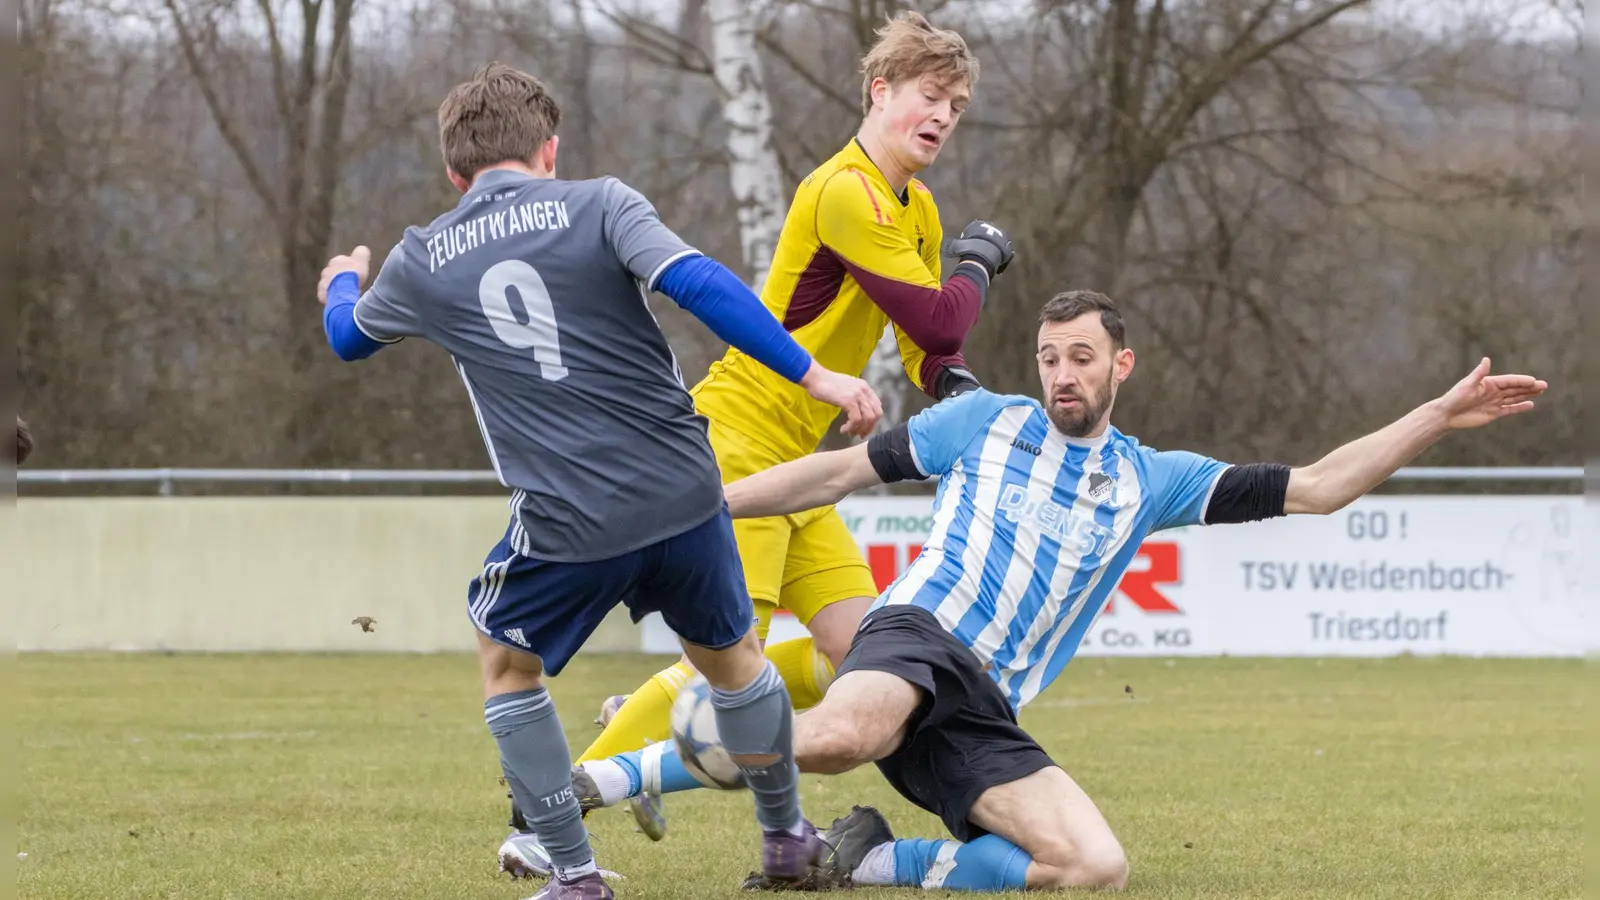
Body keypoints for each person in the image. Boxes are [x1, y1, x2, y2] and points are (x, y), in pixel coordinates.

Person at [574, 289, 1548, 891]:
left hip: (987, 703)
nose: (1061, 375)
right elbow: (832, 474)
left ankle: (861, 859)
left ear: (1120, 364)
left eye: (1081, 357)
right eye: (1049, 358)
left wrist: (1434, 414)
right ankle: (614, 776)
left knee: (1091, 867)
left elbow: (1322, 487)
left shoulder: (1151, 480)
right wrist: (712, 504)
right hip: (915, 634)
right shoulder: (986, 423)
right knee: (843, 736)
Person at [316, 63, 885, 899]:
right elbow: (697, 283)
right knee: (736, 664)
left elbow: (347, 340)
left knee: (508, 665)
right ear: (549, 150)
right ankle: (786, 837)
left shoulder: (423, 257)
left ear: (454, 174)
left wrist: (341, 279)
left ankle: (575, 874)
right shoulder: (602, 203)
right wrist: (817, 375)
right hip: (685, 491)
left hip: (570, 516)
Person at [498, 9, 1015, 875]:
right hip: (738, 441)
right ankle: (543, 820)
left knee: (861, 654)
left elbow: (929, 348)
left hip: (800, 466)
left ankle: (657, 714)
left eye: (957, 106)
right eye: (931, 95)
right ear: (880, 90)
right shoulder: (844, 190)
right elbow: (939, 313)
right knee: (730, 659)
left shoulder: (918, 209)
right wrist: (978, 263)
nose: (943, 116)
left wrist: (971, 402)